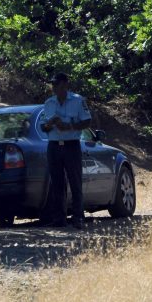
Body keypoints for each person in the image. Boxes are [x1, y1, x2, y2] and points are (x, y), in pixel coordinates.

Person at [39, 72, 92, 229]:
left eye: (57, 84)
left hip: (71, 145)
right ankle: (59, 219)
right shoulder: (49, 103)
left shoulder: (78, 100)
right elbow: (43, 126)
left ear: (65, 85)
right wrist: (49, 124)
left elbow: (87, 121)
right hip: (54, 145)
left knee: (75, 182)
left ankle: (78, 218)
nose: (54, 88)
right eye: (53, 85)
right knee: (57, 184)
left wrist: (69, 126)